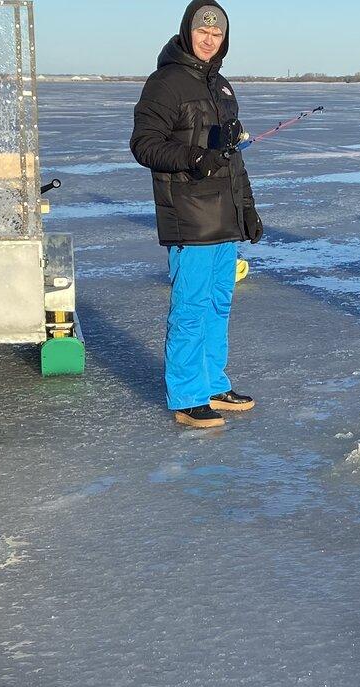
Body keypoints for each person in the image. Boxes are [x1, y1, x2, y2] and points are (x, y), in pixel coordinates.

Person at [130, 1, 263, 429]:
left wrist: (248, 209)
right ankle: (188, 395)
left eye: (217, 33)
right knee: (191, 306)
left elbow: (234, 159)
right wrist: (193, 157)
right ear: (188, 32)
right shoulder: (165, 83)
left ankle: (211, 383)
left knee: (219, 303)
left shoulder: (221, 87)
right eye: (203, 31)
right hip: (189, 214)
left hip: (224, 216)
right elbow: (144, 144)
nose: (210, 39)